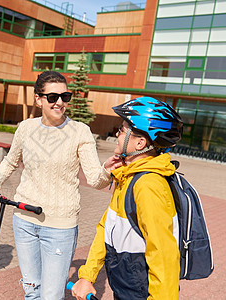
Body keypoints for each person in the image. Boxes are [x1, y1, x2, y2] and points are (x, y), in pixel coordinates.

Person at [0, 70, 115, 299]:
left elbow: (94, 179)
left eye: (65, 96)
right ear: (38, 99)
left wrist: (108, 172)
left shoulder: (80, 131)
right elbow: (11, 160)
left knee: (51, 296)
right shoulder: (26, 128)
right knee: (32, 292)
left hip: (59, 226)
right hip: (23, 221)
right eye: (52, 97)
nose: (59, 102)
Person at [71, 97, 183, 300]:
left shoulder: (148, 185)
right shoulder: (128, 176)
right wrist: (87, 275)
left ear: (140, 142)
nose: (117, 134)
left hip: (141, 292)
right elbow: (106, 227)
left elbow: (163, 254)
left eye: (122, 130)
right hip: (125, 286)